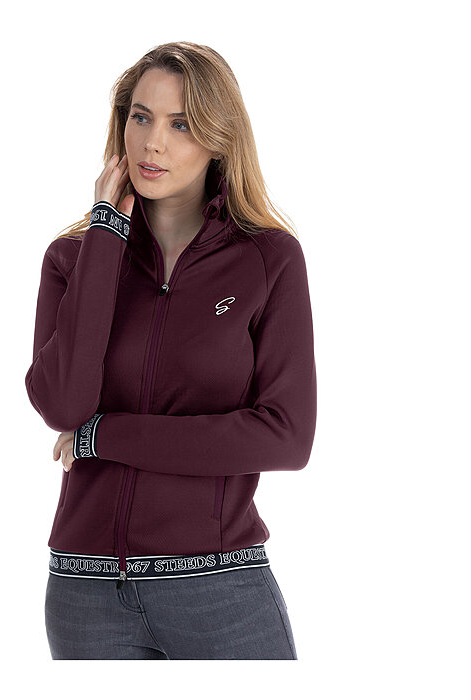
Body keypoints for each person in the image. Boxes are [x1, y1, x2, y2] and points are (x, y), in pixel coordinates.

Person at [24, 41, 317, 660]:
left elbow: (286, 438)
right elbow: (63, 404)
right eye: (141, 117)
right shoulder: (72, 259)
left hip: (220, 589)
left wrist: (105, 437)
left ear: (218, 140)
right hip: (85, 595)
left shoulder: (267, 260)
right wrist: (106, 230)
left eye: (181, 124)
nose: (152, 143)